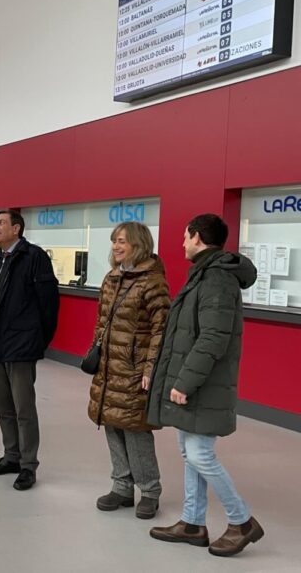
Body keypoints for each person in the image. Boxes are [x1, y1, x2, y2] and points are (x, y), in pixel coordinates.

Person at [148, 213, 263, 557]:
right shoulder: (205, 273)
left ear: (197, 237)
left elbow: (213, 337)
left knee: (199, 453)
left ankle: (241, 521)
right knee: (190, 453)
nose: (182, 243)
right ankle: (192, 523)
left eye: (185, 236)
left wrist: (184, 382)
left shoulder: (216, 278)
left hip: (202, 384)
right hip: (199, 382)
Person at [88, 222, 170, 520]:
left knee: (135, 429)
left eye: (122, 241)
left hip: (136, 369)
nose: (116, 246)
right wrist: (97, 352)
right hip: (109, 366)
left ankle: (150, 491)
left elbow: (162, 330)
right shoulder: (112, 277)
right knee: (111, 421)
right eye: (114, 241)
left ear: (139, 243)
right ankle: (122, 486)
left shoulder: (153, 282)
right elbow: (101, 322)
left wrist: (151, 368)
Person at [0, 210, 59, 491]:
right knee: (3, 406)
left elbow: (49, 304)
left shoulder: (34, 257)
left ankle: (28, 465)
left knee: (24, 408)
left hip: (20, 347)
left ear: (17, 229)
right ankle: (11, 456)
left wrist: (37, 340)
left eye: (1, 223)